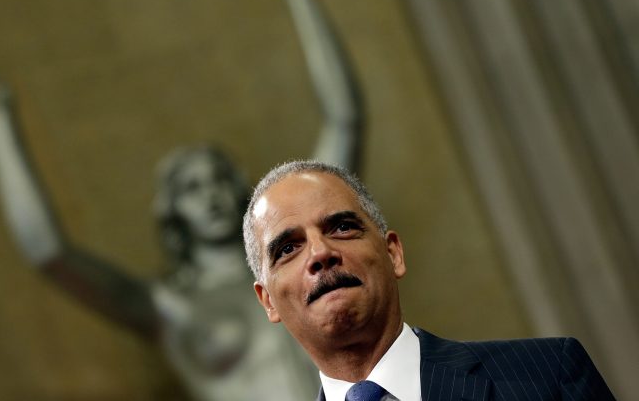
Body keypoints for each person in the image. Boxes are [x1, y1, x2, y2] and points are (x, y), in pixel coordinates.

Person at [0, 0, 363, 401]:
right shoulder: (169, 306)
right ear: (174, 212)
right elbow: (47, 251)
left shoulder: (301, 262)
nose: (209, 195)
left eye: (217, 179)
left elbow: (344, 121)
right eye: (191, 188)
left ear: (241, 191)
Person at [243, 160, 615, 401]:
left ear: (393, 254)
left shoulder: (548, 375)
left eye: (341, 227)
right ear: (268, 302)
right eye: (288, 248)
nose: (320, 253)